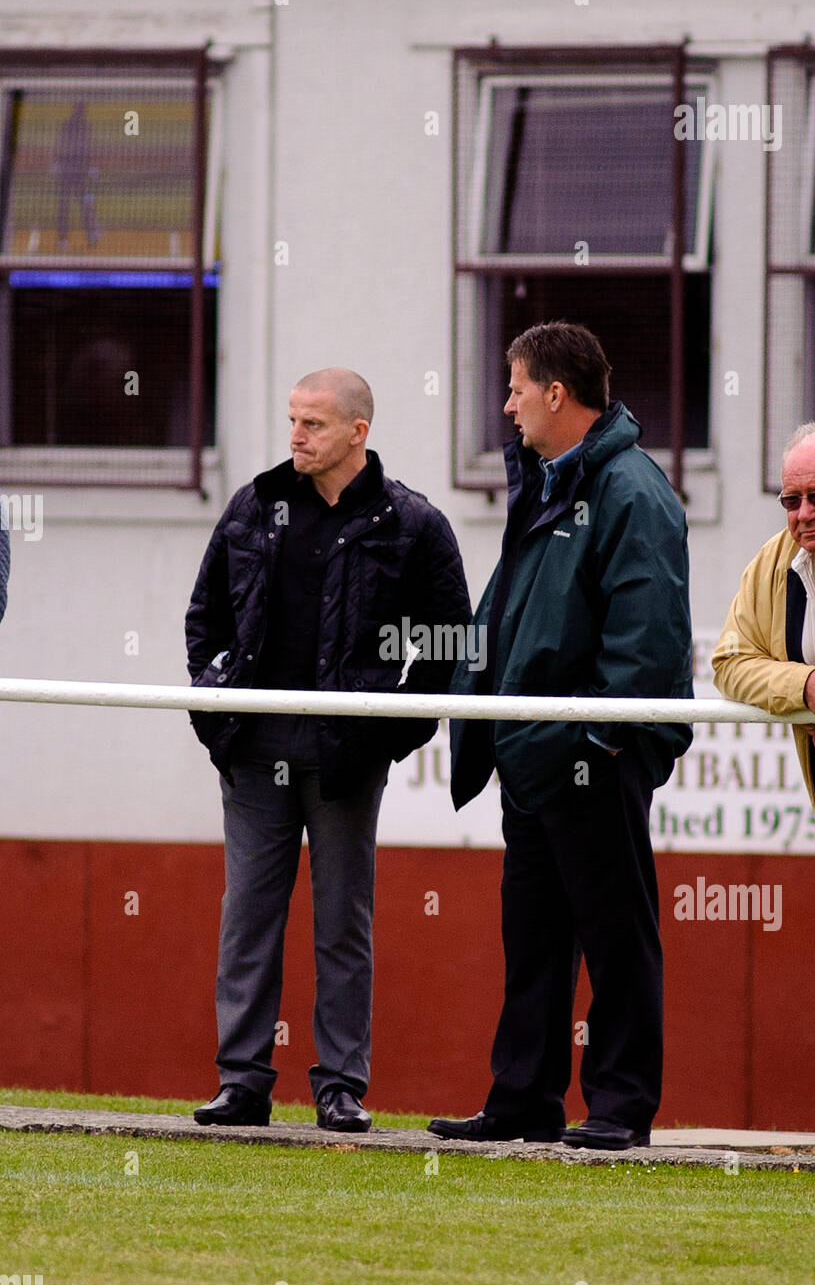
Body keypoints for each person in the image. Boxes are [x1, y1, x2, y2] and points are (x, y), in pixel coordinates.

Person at [427, 321, 693, 1151]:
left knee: (616, 938)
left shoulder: (631, 489)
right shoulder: (551, 483)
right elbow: (514, 615)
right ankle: (523, 1101)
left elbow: (647, 637)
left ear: (555, 392)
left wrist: (597, 741)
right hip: (535, 756)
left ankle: (618, 1108)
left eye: (514, 388)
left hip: (587, 758)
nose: (505, 405)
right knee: (534, 940)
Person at [186, 368, 471, 1131]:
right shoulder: (255, 504)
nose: (296, 436)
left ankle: (340, 1086)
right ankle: (242, 1081)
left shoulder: (412, 523)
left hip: (348, 753)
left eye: (312, 424)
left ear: (357, 432)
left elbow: (449, 643)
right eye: (292, 421)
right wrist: (215, 709)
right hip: (254, 746)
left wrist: (390, 733)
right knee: (248, 913)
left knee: (344, 920)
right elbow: (205, 617)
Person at [712, 421, 815, 831]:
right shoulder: (774, 560)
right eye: (790, 500)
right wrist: (807, 688)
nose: (804, 514)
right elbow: (729, 663)